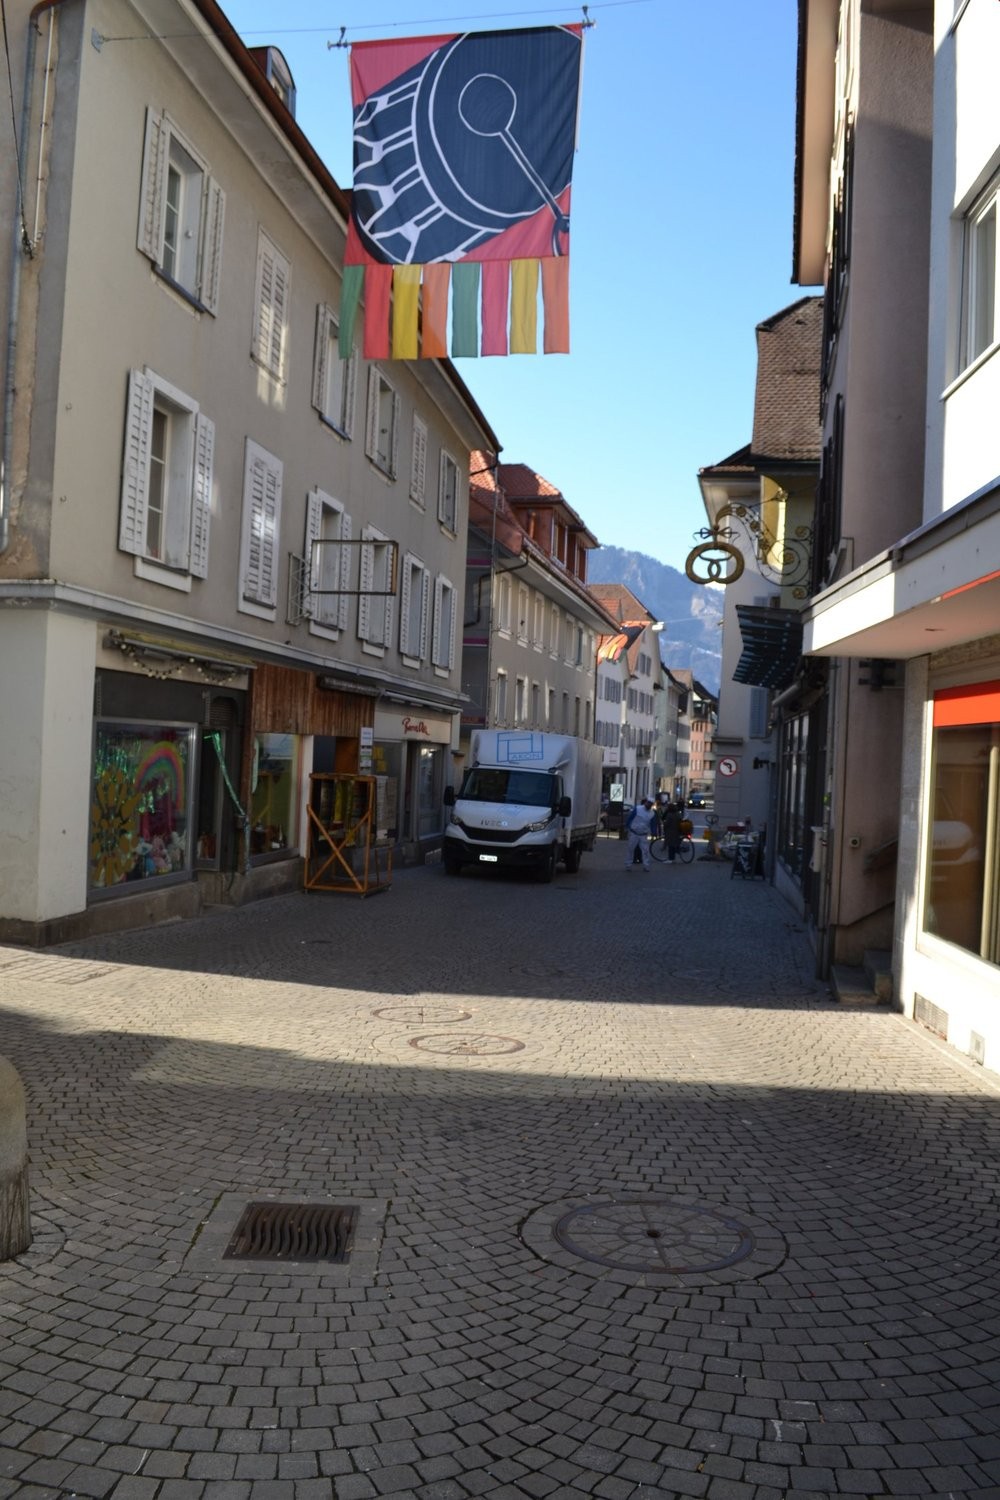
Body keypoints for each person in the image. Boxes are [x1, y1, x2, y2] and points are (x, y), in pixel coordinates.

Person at [625, 798, 656, 870]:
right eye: (648, 803)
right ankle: (628, 864)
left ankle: (646, 865)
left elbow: (653, 824)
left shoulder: (652, 813)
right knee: (631, 849)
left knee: (645, 851)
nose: (648, 805)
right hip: (634, 832)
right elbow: (630, 817)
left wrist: (653, 832)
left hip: (643, 834)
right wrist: (627, 826)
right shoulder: (638, 809)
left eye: (650, 804)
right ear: (646, 803)